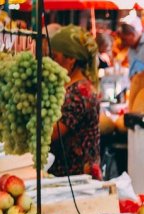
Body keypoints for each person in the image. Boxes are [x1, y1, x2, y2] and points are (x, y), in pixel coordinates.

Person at [48, 25, 101, 179]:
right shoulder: (71, 86)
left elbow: (52, 133)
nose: (52, 62)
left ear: (71, 59)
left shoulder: (80, 92)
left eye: (55, 57)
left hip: (77, 179)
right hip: (67, 175)